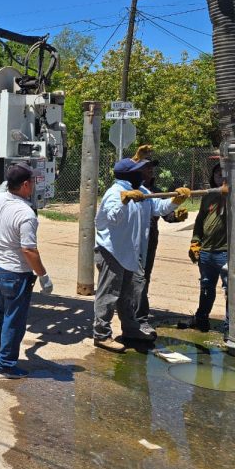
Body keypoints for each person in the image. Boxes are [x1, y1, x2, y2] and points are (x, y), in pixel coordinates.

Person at [93, 158, 190, 352]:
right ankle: (101, 334)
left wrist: (175, 200)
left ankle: (131, 329)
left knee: (128, 295)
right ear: (129, 175)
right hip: (112, 251)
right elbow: (113, 218)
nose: (144, 173)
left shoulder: (143, 192)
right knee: (109, 294)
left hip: (130, 251)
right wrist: (124, 201)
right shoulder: (115, 193)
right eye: (138, 171)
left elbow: (158, 208)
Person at [0, 163, 53, 379]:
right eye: (32, 182)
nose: (33, 186)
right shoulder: (26, 214)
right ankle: (3, 366)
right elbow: (29, 250)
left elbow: (3, 188)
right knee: (14, 321)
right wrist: (43, 275)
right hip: (14, 273)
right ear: (24, 184)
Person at [131, 145, 188, 327]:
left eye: (151, 167)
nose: (150, 169)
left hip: (150, 240)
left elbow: (164, 212)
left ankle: (140, 316)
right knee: (129, 278)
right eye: (146, 166)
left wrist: (176, 216)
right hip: (130, 239)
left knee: (143, 277)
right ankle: (130, 312)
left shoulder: (156, 190)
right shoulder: (128, 188)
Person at [179, 162, 228, 333]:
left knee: (231, 290)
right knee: (206, 288)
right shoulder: (207, 196)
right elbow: (199, 221)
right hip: (206, 252)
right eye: (216, 175)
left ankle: (230, 327)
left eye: (223, 174)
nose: (220, 178)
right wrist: (195, 242)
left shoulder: (232, 194)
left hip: (226, 253)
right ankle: (201, 319)